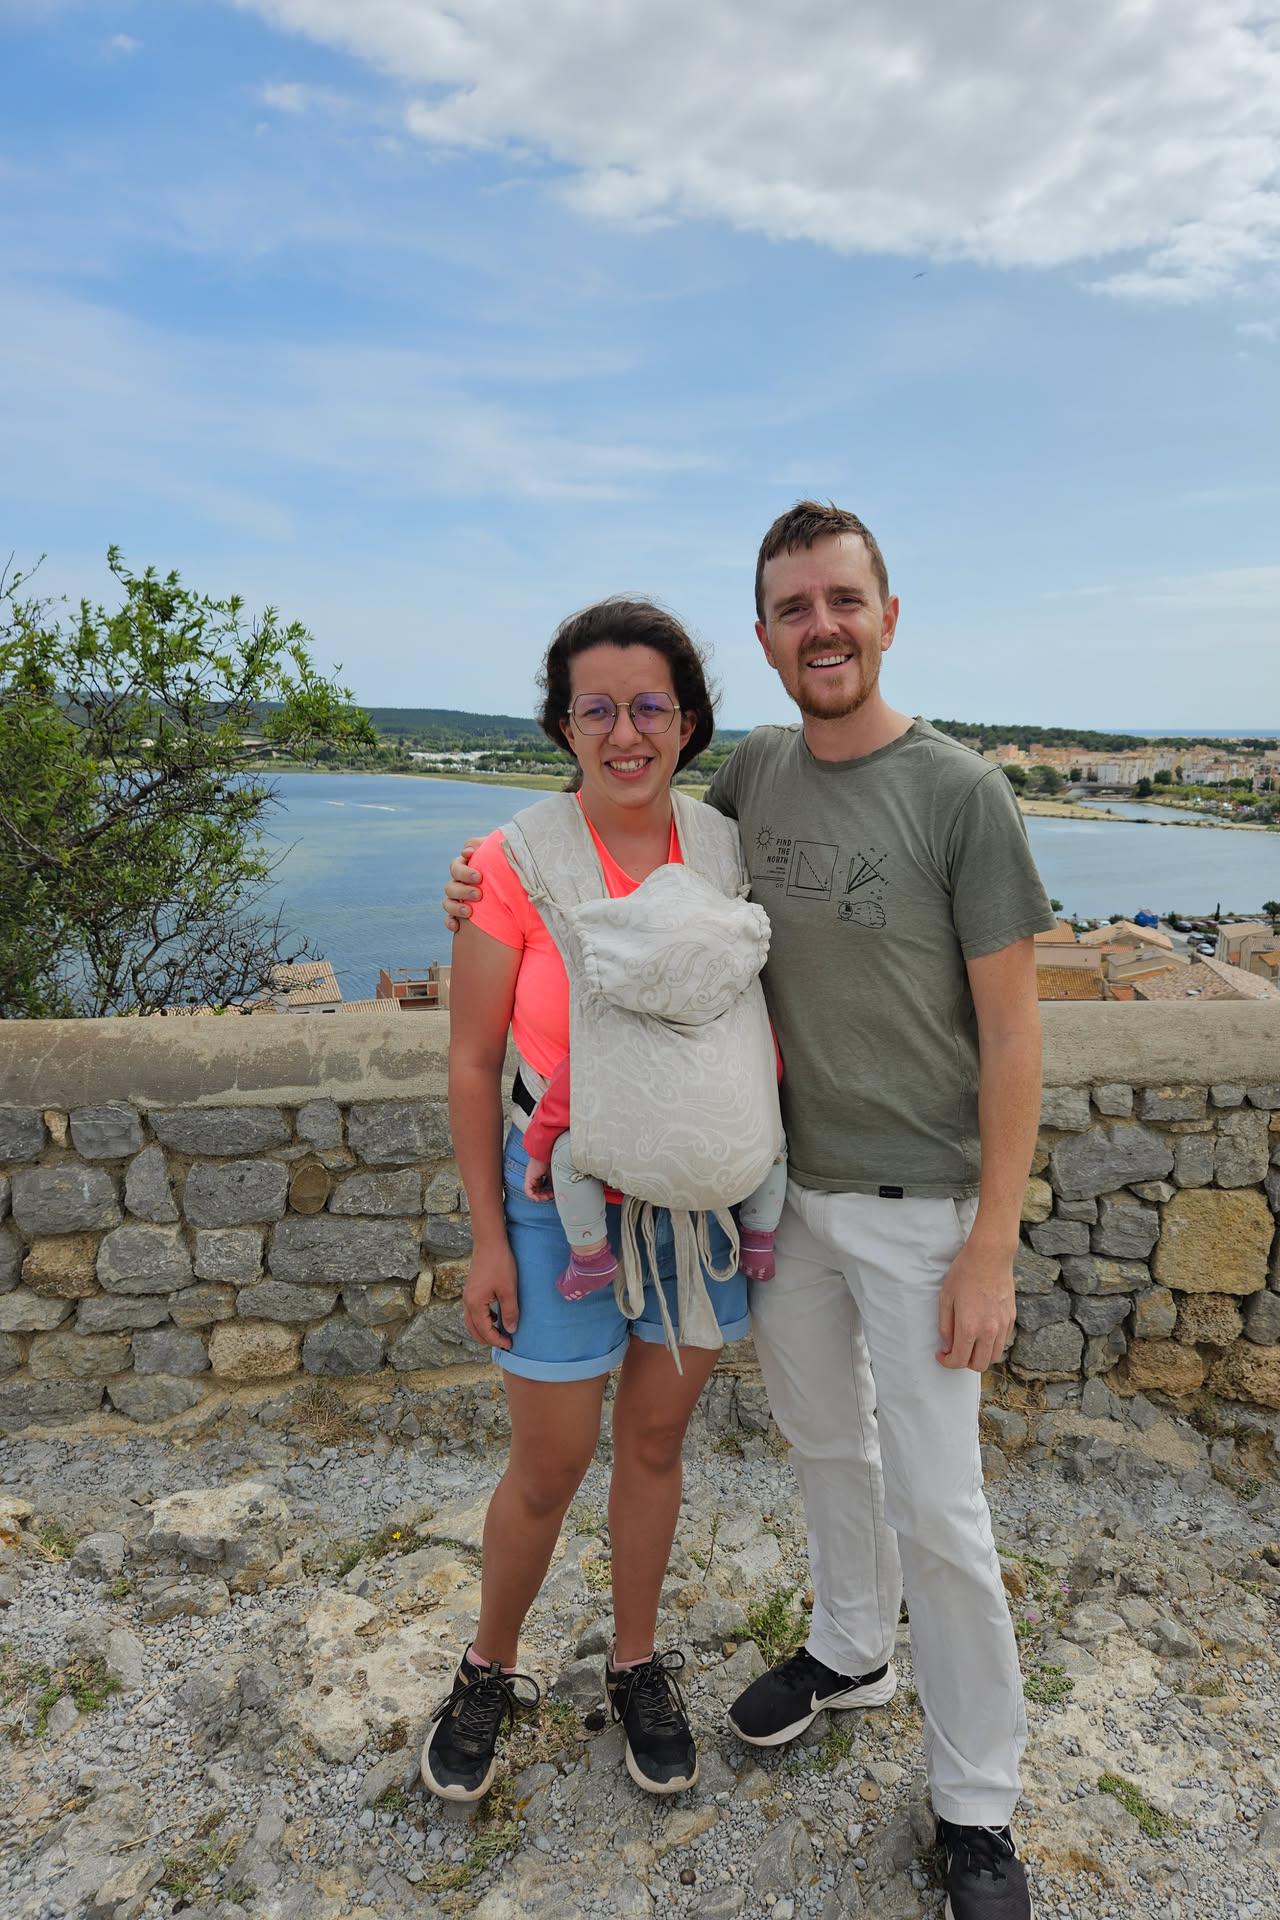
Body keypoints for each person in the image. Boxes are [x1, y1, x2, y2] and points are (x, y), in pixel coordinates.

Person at [444, 504, 1052, 1920]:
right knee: (814, 1447)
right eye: (793, 607)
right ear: (768, 639)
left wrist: (992, 1242)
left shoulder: (940, 795)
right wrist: (476, 878)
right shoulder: (744, 792)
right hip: (755, 1203)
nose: (821, 627)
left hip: (890, 1202)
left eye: (843, 600)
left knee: (938, 1504)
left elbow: (1016, 1032)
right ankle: (842, 1647)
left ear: (887, 614)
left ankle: (976, 1802)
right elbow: (520, 974)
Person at [426, 597, 770, 1809]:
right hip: (549, 1203)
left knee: (657, 1442)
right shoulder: (513, 862)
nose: (626, 732)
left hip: (693, 1201)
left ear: (689, 723)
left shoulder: (725, 850)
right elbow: (473, 1061)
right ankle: (489, 1664)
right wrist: (486, 1238)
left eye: (650, 707)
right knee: (550, 1459)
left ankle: (635, 1662)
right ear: (564, 726)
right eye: (598, 709)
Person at [520, 1054, 788, 1296]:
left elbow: (575, 1081)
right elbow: (769, 1069)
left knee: (568, 1153)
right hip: (714, 1144)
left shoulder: (621, 1016)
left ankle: (590, 1255)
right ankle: (759, 1238)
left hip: (638, 1141)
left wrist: (539, 1150)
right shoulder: (740, 1016)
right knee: (772, 1139)